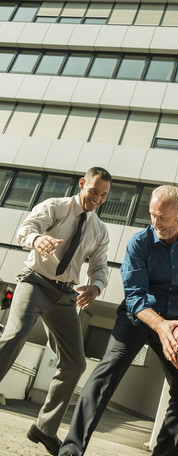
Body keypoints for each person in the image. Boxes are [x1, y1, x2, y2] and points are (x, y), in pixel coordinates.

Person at [58, 184, 178, 456]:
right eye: (153, 215)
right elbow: (134, 296)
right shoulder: (139, 242)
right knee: (105, 375)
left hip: (177, 324)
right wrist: (161, 327)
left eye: (164, 218)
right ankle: (71, 450)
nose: (156, 223)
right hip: (138, 316)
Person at [0, 166, 112, 456]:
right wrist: (38, 240)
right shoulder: (56, 207)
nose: (97, 198)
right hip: (35, 282)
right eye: (93, 191)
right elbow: (26, 229)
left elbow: (100, 267)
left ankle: (44, 428)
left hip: (65, 296)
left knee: (75, 363)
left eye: (103, 195)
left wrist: (96, 287)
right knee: (16, 333)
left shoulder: (99, 229)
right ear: (82, 183)